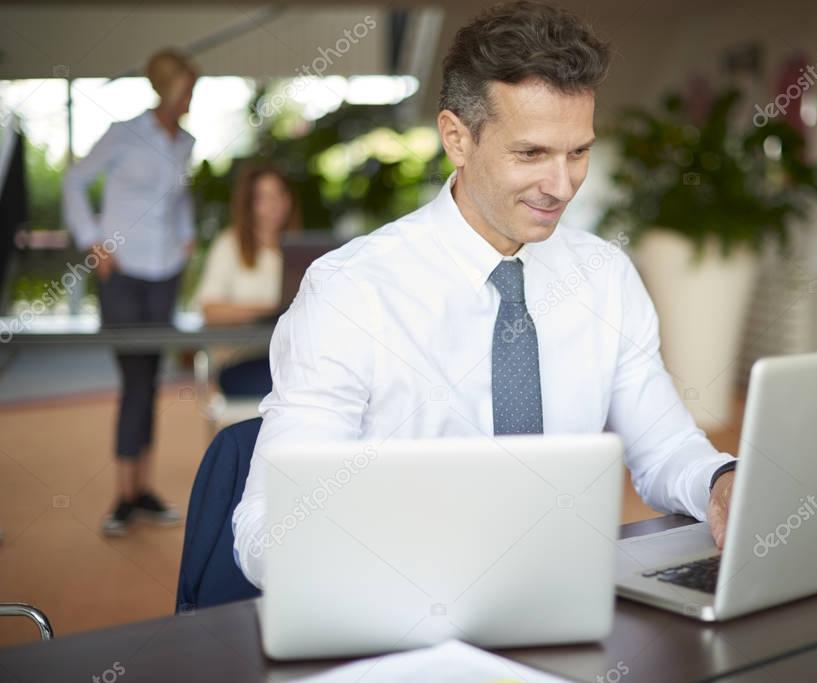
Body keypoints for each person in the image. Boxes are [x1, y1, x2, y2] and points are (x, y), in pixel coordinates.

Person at [232, 1, 737, 588]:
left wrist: (721, 481)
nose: (561, 185)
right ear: (457, 138)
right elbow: (268, 529)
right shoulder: (350, 293)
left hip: (560, 596)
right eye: (531, 154)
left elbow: (665, 446)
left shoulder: (605, 276)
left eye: (578, 152)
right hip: (404, 606)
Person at [63, 48, 199, 536]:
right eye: (186, 88)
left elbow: (178, 199)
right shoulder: (124, 134)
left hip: (165, 272)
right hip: (122, 271)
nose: (190, 98)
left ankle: (139, 491)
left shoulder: (186, 142)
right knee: (134, 378)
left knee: (150, 378)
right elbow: (74, 181)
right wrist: (92, 241)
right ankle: (125, 495)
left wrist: (187, 238)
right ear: (166, 88)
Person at [194, 162, 302, 397]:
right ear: (249, 204)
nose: (274, 205)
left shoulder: (299, 249)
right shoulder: (228, 245)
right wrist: (268, 310)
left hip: (289, 359)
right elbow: (210, 309)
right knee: (292, 389)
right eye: (263, 197)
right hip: (240, 362)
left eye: (279, 194)